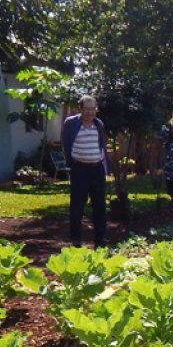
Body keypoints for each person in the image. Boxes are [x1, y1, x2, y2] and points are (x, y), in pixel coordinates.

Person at [61, 95, 108, 247]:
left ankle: (100, 241)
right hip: (79, 170)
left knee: (99, 206)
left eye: (93, 109)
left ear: (96, 109)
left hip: (97, 170)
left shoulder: (98, 124)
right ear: (80, 109)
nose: (90, 112)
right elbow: (66, 143)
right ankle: (76, 241)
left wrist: (105, 167)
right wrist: (70, 164)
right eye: (86, 109)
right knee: (77, 207)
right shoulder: (70, 124)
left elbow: (101, 146)